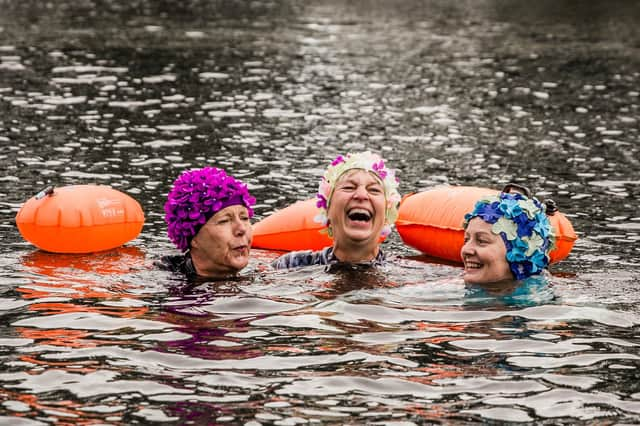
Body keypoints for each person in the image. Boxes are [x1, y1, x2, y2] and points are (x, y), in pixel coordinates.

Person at [272, 151, 401, 270]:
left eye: (374, 190)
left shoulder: (402, 272)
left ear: (386, 215)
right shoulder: (291, 265)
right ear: (328, 210)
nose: (361, 195)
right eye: (349, 187)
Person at [160, 167, 256, 279]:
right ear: (193, 239)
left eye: (244, 218)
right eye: (224, 221)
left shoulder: (270, 270)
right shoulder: (163, 280)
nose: (242, 229)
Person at [460, 185, 555, 284]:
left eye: (482, 241)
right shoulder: (447, 285)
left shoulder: (541, 296)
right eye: (466, 240)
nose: (466, 250)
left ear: (522, 253)